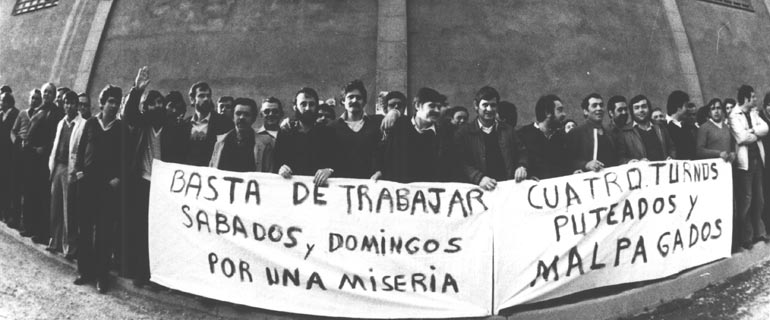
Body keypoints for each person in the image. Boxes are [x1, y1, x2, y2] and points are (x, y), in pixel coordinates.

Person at [121, 66, 184, 287]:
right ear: (146, 108)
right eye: (152, 103)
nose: (157, 106)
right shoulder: (142, 124)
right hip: (142, 183)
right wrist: (137, 89)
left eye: (160, 103)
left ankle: (158, 275)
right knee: (140, 228)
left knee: (161, 231)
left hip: (163, 188)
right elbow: (128, 114)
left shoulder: (173, 128)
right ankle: (140, 271)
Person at [73, 84, 128, 293]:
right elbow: (80, 150)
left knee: (104, 232)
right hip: (87, 184)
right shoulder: (91, 124)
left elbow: (125, 157)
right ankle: (83, 271)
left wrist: (118, 178)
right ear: (102, 103)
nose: (113, 105)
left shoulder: (120, 128)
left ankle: (101, 276)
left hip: (107, 187)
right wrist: (79, 171)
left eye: (117, 102)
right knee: (84, 229)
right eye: (110, 101)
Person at [455, 86, 528, 190]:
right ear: (476, 105)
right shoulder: (464, 133)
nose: (489, 109)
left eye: (493, 105)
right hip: (479, 192)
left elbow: (522, 152)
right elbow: (461, 161)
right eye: (485, 105)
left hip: (506, 190)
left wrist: (522, 166)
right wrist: (478, 178)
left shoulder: (508, 130)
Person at [376, 87, 453, 183]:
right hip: (398, 192)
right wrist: (379, 171)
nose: (437, 110)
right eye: (432, 106)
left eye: (439, 107)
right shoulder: (398, 126)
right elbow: (382, 153)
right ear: (417, 105)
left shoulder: (444, 135)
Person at [47, 91, 87, 258]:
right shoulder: (61, 123)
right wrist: (53, 165)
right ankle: (54, 241)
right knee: (55, 207)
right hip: (58, 167)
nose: (68, 106)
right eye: (66, 103)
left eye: (72, 103)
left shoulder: (83, 124)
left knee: (68, 209)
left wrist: (77, 171)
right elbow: (56, 145)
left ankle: (68, 246)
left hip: (70, 170)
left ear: (77, 105)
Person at [729, 85, 768, 250]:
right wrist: (754, 133)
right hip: (744, 164)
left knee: (759, 198)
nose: (755, 99)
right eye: (753, 97)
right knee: (746, 199)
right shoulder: (734, 115)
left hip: (757, 160)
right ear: (746, 99)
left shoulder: (754, 113)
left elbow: (765, 128)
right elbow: (741, 138)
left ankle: (759, 232)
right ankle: (746, 237)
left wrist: (751, 130)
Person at [274, 87, 337, 186]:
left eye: (311, 104)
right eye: (303, 104)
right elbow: (276, 163)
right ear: (295, 107)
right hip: (291, 190)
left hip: (321, 193)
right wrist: (281, 169)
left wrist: (329, 170)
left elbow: (337, 162)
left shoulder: (328, 134)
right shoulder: (285, 133)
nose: (307, 108)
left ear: (316, 107)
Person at [23, 83, 61, 244]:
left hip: (45, 159)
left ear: (54, 96)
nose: (46, 94)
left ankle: (41, 231)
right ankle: (28, 226)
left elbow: (54, 137)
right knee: (30, 192)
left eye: (50, 92)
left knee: (42, 196)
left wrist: (44, 149)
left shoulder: (56, 113)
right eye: (45, 91)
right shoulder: (38, 110)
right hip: (33, 157)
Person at [329, 80, 382, 179]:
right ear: (343, 101)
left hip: (370, 186)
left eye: (359, 98)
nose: (354, 100)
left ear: (364, 102)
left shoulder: (376, 123)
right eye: (350, 97)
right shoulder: (332, 127)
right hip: (341, 186)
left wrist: (394, 112)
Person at [210, 98, 275, 172]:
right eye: (238, 113)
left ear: (253, 118)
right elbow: (212, 169)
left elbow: (268, 174)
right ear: (232, 117)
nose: (241, 117)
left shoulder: (265, 144)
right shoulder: (220, 142)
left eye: (246, 115)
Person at [10, 89, 42, 232]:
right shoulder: (22, 113)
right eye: (32, 98)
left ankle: (25, 221)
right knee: (16, 185)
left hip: (32, 154)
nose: (34, 101)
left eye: (37, 98)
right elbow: (13, 131)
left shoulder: (41, 115)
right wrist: (17, 142)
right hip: (19, 152)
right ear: (29, 99)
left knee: (27, 188)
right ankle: (14, 217)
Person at [181, 82, 234, 166]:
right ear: (192, 99)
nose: (206, 99)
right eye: (201, 96)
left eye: (208, 96)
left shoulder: (224, 123)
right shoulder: (184, 125)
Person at [517, 94, 568, 180]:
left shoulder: (562, 137)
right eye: (559, 110)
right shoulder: (523, 135)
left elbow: (567, 164)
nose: (564, 114)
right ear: (547, 113)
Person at [616, 95, 675, 164]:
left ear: (649, 108)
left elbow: (671, 147)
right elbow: (620, 158)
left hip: (664, 172)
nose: (641, 110)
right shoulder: (625, 132)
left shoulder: (660, 126)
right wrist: (630, 162)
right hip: (641, 173)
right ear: (632, 111)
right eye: (636, 108)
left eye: (644, 106)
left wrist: (671, 157)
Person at [567, 93, 618, 172]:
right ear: (585, 111)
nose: (599, 108)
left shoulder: (610, 133)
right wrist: (586, 165)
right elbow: (569, 161)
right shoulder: (576, 133)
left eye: (601, 105)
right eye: (594, 106)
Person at [0, 92, 19, 226]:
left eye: (1, 101)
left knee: (7, 185)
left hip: (9, 156)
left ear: (7, 102)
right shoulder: (1, 114)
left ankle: (7, 213)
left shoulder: (15, 114)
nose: (0, 103)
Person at [666, 90, 698, 160]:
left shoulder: (687, 126)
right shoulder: (663, 127)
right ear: (678, 107)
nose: (688, 109)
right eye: (686, 106)